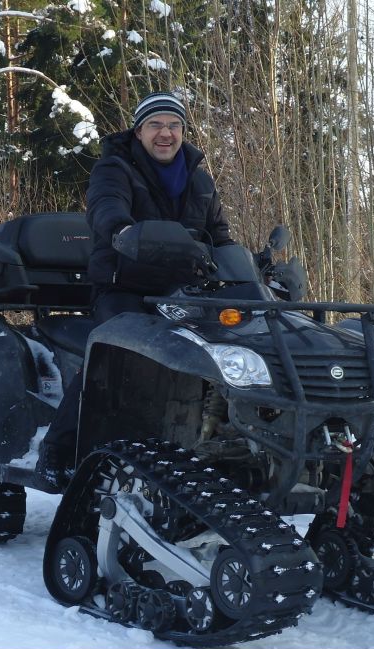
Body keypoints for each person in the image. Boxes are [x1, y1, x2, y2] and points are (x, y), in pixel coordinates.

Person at [35, 91, 233, 488]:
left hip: (187, 293)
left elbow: (220, 235)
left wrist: (246, 266)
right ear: (139, 131)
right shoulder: (115, 169)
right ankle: (57, 451)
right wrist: (122, 230)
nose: (166, 133)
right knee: (113, 357)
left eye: (174, 125)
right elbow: (105, 207)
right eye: (156, 125)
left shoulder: (199, 179)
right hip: (125, 287)